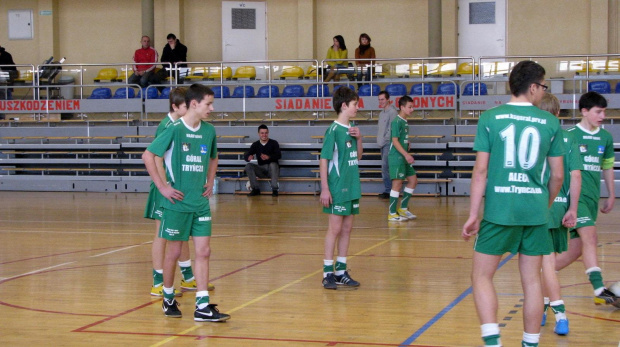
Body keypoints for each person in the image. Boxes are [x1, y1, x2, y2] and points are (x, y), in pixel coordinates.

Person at [461, 60, 565, 347]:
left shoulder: (490, 118)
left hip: (499, 211)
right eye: (543, 86)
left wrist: (473, 213)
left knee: (482, 276)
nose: (543, 92)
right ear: (532, 86)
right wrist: (546, 203)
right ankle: (530, 343)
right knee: (532, 281)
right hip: (535, 212)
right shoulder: (551, 122)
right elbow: (557, 175)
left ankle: (493, 341)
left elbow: (480, 171)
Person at [142, 84, 230, 322]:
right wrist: (162, 187)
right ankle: (168, 297)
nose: (212, 108)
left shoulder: (209, 131)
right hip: (177, 204)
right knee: (174, 252)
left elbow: (213, 157)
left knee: (204, 251)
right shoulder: (174, 129)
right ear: (194, 104)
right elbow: (148, 156)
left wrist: (210, 181)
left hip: (200, 202)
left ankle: (202, 306)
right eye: (208, 103)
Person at [554, 91, 620, 307]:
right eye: (598, 112)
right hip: (575, 198)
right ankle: (599, 289)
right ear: (584, 111)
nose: (602, 116)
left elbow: (607, 167)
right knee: (591, 237)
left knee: (576, 250)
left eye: (604, 112)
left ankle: (542, 272)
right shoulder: (570, 135)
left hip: (591, 199)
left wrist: (610, 193)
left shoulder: (606, 137)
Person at [538, 93, 582, 336]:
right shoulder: (570, 138)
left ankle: (560, 313)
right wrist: (573, 208)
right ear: (558, 113)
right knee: (547, 264)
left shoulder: (538, 136)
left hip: (542, 206)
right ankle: (543, 307)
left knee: (544, 265)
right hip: (563, 206)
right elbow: (576, 175)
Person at [319, 86, 363, 290]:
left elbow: (359, 156)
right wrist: (325, 188)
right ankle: (327, 273)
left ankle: (341, 271)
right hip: (337, 187)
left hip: (352, 185)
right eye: (355, 104)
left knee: (347, 229)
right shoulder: (334, 130)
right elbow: (324, 160)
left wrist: (359, 138)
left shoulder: (352, 128)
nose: (357, 108)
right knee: (334, 229)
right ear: (344, 105)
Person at [387, 95, 418, 221]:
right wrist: (406, 154)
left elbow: (400, 138)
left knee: (413, 180)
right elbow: (394, 141)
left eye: (412, 107)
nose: (412, 109)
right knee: (397, 183)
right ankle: (392, 213)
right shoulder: (396, 121)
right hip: (396, 157)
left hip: (403, 156)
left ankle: (403, 209)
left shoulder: (405, 122)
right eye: (410, 107)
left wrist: (407, 143)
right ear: (402, 107)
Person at [244, 124, 282, 197]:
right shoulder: (255, 144)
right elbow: (248, 153)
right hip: (261, 169)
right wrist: (248, 157)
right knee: (248, 166)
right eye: (262, 133)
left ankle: (274, 189)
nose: (264, 135)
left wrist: (269, 157)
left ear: (268, 133)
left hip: (272, 170)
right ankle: (255, 189)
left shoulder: (274, 143)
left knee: (273, 164)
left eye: (266, 133)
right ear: (259, 134)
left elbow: (279, 155)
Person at [376, 91, 398, 199]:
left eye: (382, 99)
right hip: (382, 144)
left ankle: (389, 190)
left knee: (386, 168)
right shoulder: (381, 113)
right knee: (385, 168)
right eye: (379, 99)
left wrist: (384, 140)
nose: (381, 101)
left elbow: (392, 129)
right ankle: (389, 190)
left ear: (388, 99)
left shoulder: (392, 112)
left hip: (388, 143)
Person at [0, 44, 17, 119]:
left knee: (4, 97)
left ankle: (2, 116)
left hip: (4, 78)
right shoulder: (6, 54)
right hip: (4, 79)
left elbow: (12, 67)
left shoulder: (6, 55)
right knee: (4, 97)